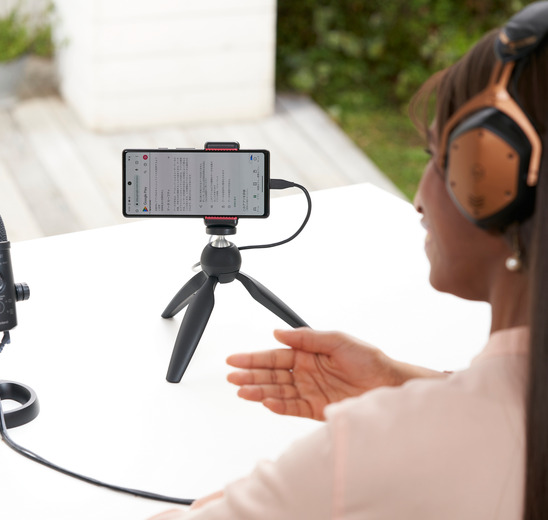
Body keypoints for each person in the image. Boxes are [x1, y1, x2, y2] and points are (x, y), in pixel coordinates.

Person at [148, 2, 548, 519]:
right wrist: (398, 382)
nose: (421, 196)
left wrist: (229, 504)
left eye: (438, 156)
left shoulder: (371, 453)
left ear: (499, 183)